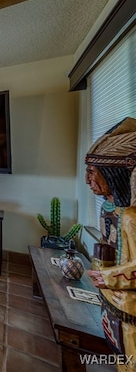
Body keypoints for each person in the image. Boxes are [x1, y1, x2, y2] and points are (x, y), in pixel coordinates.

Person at [85, 117, 136, 371]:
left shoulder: (131, 217)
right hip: (115, 301)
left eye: (92, 172)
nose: (87, 180)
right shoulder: (110, 208)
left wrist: (107, 276)